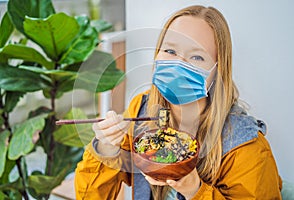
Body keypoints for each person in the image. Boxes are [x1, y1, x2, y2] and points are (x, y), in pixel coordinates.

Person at [75, 5, 282, 200]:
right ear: (157, 54)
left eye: (197, 57)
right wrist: (105, 148)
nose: (177, 65)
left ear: (218, 71)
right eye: (170, 52)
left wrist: (195, 190)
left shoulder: (246, 145)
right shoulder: (141, 109)